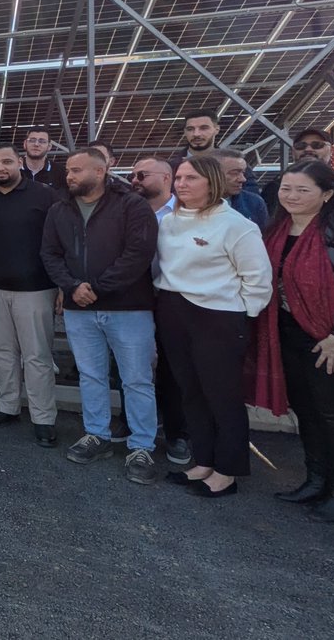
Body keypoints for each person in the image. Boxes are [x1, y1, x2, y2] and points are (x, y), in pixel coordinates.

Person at [252, 160, 334, 522]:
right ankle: (315, 480)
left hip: (330, 338)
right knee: (307, 411)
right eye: (286, 188)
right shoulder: (277, 229)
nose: (291, 196)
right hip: (286, 333)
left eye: (302, 190)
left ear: (327, 194)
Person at [42, 149, 160, 485]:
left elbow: (138, 254)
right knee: (91, 376)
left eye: (77, 170)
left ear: (102, 169)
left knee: (136, 378)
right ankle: (97, 434)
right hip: (81, 310)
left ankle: (141, 446)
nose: (70, 176)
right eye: (68, 171)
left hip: (128, 308)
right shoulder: (59, 210)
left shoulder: (131, 205)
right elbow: (49, 254)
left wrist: (96, 287)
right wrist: (70, 286)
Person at [155, 156, 272, 497]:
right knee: (190, 391)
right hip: (174, 310)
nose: (182, 183)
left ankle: (228, 470)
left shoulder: (236, 225)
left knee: (222, 396)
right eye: (179, 177)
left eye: (191, 178)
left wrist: (239, 315)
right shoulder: (169, 222)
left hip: (218, 317)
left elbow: (258, 280)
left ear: (212, 182)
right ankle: (203, 461)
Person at [0, 142, 61, 446]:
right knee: (2, 352)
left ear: (19, 162)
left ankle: (43, 417)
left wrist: (62, 285)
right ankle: (7, 405)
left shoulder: (45, 196)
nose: (0, 168)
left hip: (35, 290)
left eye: (6, 162)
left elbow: (59, 241)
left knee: (37, 356)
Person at [128, 158, 190, 465]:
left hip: (176, 300)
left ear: (166, 177)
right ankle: (134, 424)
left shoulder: (187, 213)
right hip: (133, 298)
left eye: (141, 175)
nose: (135, 180)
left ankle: (177, 432)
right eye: (132, 175)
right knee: (133, 366)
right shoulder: (128, 210)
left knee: (173, 368)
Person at [259, 128, 334, 227]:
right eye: (301, 146)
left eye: (317, 145)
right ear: (293, 151)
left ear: (331, 150)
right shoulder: (274, 187)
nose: (308, 149)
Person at [210, 148, 267, 228]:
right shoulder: (189, 203)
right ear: (212, 174)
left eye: (243, 172)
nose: (243, 179)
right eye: (235, 173)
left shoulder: (254, 203)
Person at [20, 126, 66, 190]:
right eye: (32, 140)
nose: (36, 144)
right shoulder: (13, 169)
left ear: (49, 146)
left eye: (42, 141)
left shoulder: (61, 172)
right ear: (25, 144)